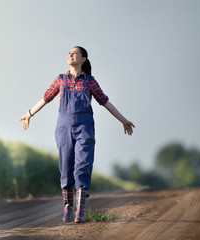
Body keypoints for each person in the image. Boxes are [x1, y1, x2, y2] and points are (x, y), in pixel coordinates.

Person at [20, 46, 135, 223]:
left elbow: (105, 102)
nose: (70, 55)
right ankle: (68, 207)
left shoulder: (90, 81)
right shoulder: (61, 79)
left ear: (83, 59)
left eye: (75, 53)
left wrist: (123, 120)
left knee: (82, 165)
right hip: (63, 128)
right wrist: (29, 114)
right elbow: (45, 98)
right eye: (69, 53)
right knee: (66, 167)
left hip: (85, 128)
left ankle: (80, 209)